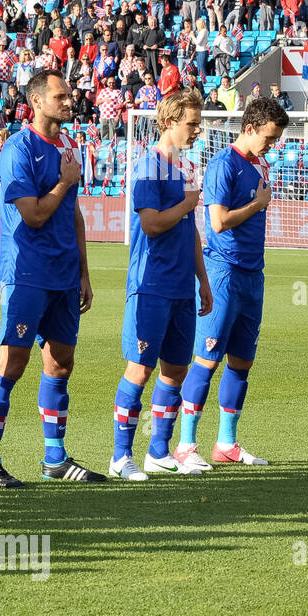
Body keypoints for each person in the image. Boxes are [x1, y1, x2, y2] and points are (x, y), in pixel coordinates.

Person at [0, 70, 105, 487]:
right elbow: (32, 214)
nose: (70, 101)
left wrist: (84, 272)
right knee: (13, 362)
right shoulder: (18, 148)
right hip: (27, 272)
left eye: (70, 95)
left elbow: (76, 214)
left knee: (61, 363)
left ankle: (55, 459)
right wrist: (65, 182)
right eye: (61, 96)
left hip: (65, 275)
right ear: (36, 101)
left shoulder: (70, 146)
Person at [175, 98, 288, 468]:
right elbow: (218, 223)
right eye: (269, 138)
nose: (272, 145)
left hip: (253, 276)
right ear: (251, 127)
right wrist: (256, 206)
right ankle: (185, 446)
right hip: (223, 272)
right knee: (206, 361)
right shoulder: (224, 165)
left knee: (242, 363)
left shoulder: (261, 165)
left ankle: (226, 445)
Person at [110, 90, 214, 480]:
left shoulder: (184, 167)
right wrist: (187, 205)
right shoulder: (147, 167)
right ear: (170, 121)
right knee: (139, 369)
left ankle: (159, 451)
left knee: (175, 371)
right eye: (191, 122)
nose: (197, 128)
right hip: (150, 284)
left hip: (181, 288)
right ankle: (120, 457)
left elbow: (190, 234)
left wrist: (202, 281)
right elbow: (151, 223)